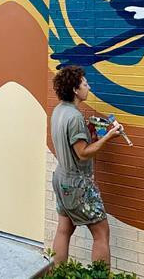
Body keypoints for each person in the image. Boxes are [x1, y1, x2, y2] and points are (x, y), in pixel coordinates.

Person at [50, 65, 122, 266]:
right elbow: (82, 153)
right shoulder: (74, 117)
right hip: (78, 184)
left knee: (64, 229)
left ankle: (57, 274)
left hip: (61, 178)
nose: (88, 87)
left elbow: (70, 142)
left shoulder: (59, 110)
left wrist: (89, 130)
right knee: (101, 233)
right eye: (85, 84)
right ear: (75, 89)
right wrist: (108, 136)